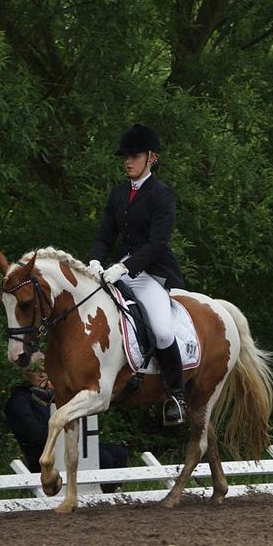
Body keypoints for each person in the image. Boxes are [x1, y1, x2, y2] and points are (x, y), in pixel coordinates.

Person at [88, 123, 188, 426]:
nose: (128, 161)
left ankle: (177, 396)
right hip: (120, 270)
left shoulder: (162, 194)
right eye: (126, 157)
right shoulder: (118, 193)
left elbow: (158, 244)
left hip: (150, 272)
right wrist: (94, 260)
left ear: (151, 158)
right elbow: (105, 234)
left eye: (134, 156)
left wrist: (124, 267)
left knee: (161, 330)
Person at [3, 357, 129, 493]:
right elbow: (32, 433)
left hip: (69, 443)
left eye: (44, 370)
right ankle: (93, 493)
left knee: (119, 453)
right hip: (42, 452)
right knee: (105, 458)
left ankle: (108, 494)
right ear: (25, 374)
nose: (41, 375)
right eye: (35, 371)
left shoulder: (54, 394)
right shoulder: (19, 399)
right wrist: (61, 434)